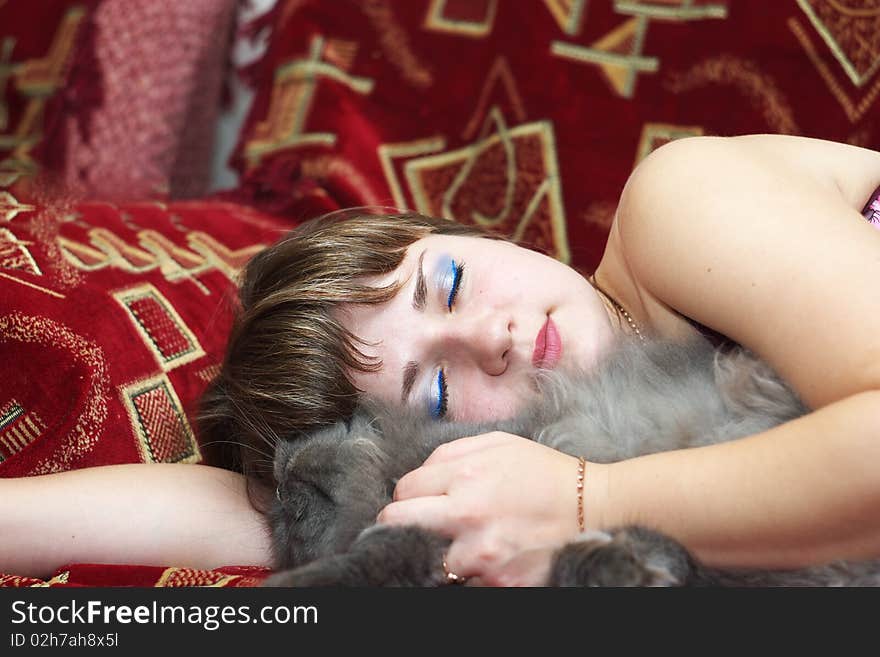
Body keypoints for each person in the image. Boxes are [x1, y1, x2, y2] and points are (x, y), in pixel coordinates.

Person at [4, 133, 880, 585]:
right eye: (435, 389)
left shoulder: (679, 204)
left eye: (449, 279)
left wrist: (591, 499)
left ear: (458, 231)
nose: (489, 336)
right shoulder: (551, 438)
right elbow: (253, 506)